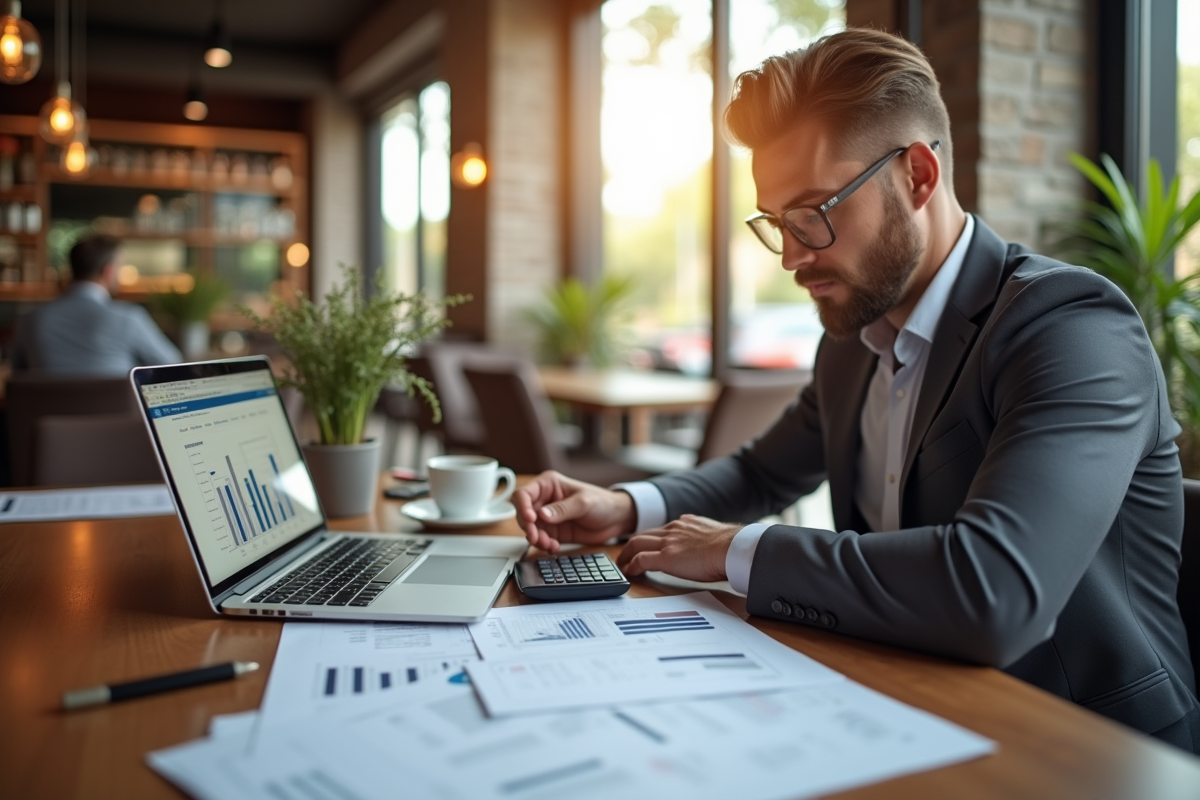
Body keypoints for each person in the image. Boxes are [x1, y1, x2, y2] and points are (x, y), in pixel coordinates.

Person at [514, 28, 1198, 752]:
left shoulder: (1068, 328)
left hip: (1089, 744)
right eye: (777, 222)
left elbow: (995, 591)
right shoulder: (852, 342)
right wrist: (624, 507)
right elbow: (761, 473)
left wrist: (736, 550)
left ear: (918, 176)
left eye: (814, 213)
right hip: (909, 700)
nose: (790, 255)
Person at [13, 234, 182, 374]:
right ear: (108, 271)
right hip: (116, 406)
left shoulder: (30, 320)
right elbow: (173, 364)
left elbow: (17, 373)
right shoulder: (127, 318)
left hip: (47, 406)